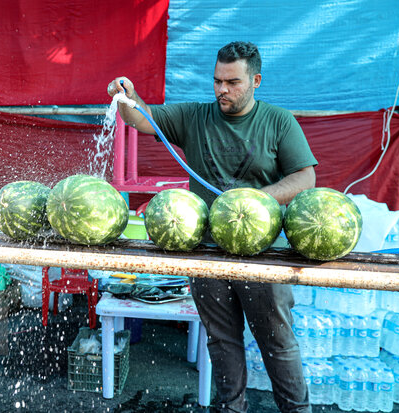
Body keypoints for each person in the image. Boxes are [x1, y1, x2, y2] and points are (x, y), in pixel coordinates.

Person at [108, 41, 317, 413]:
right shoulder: (195, 117)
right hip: (207, 249)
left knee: (276, 340)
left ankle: (297, 410)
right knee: (221, 340)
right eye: (218, 80)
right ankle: (231, 408)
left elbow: (305, 178)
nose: (222, 89)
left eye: (233, 82)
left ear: (256, 81)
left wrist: (257, 199)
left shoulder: (278, 122)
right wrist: (128, 95)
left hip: (263, 253)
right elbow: (142, 118)